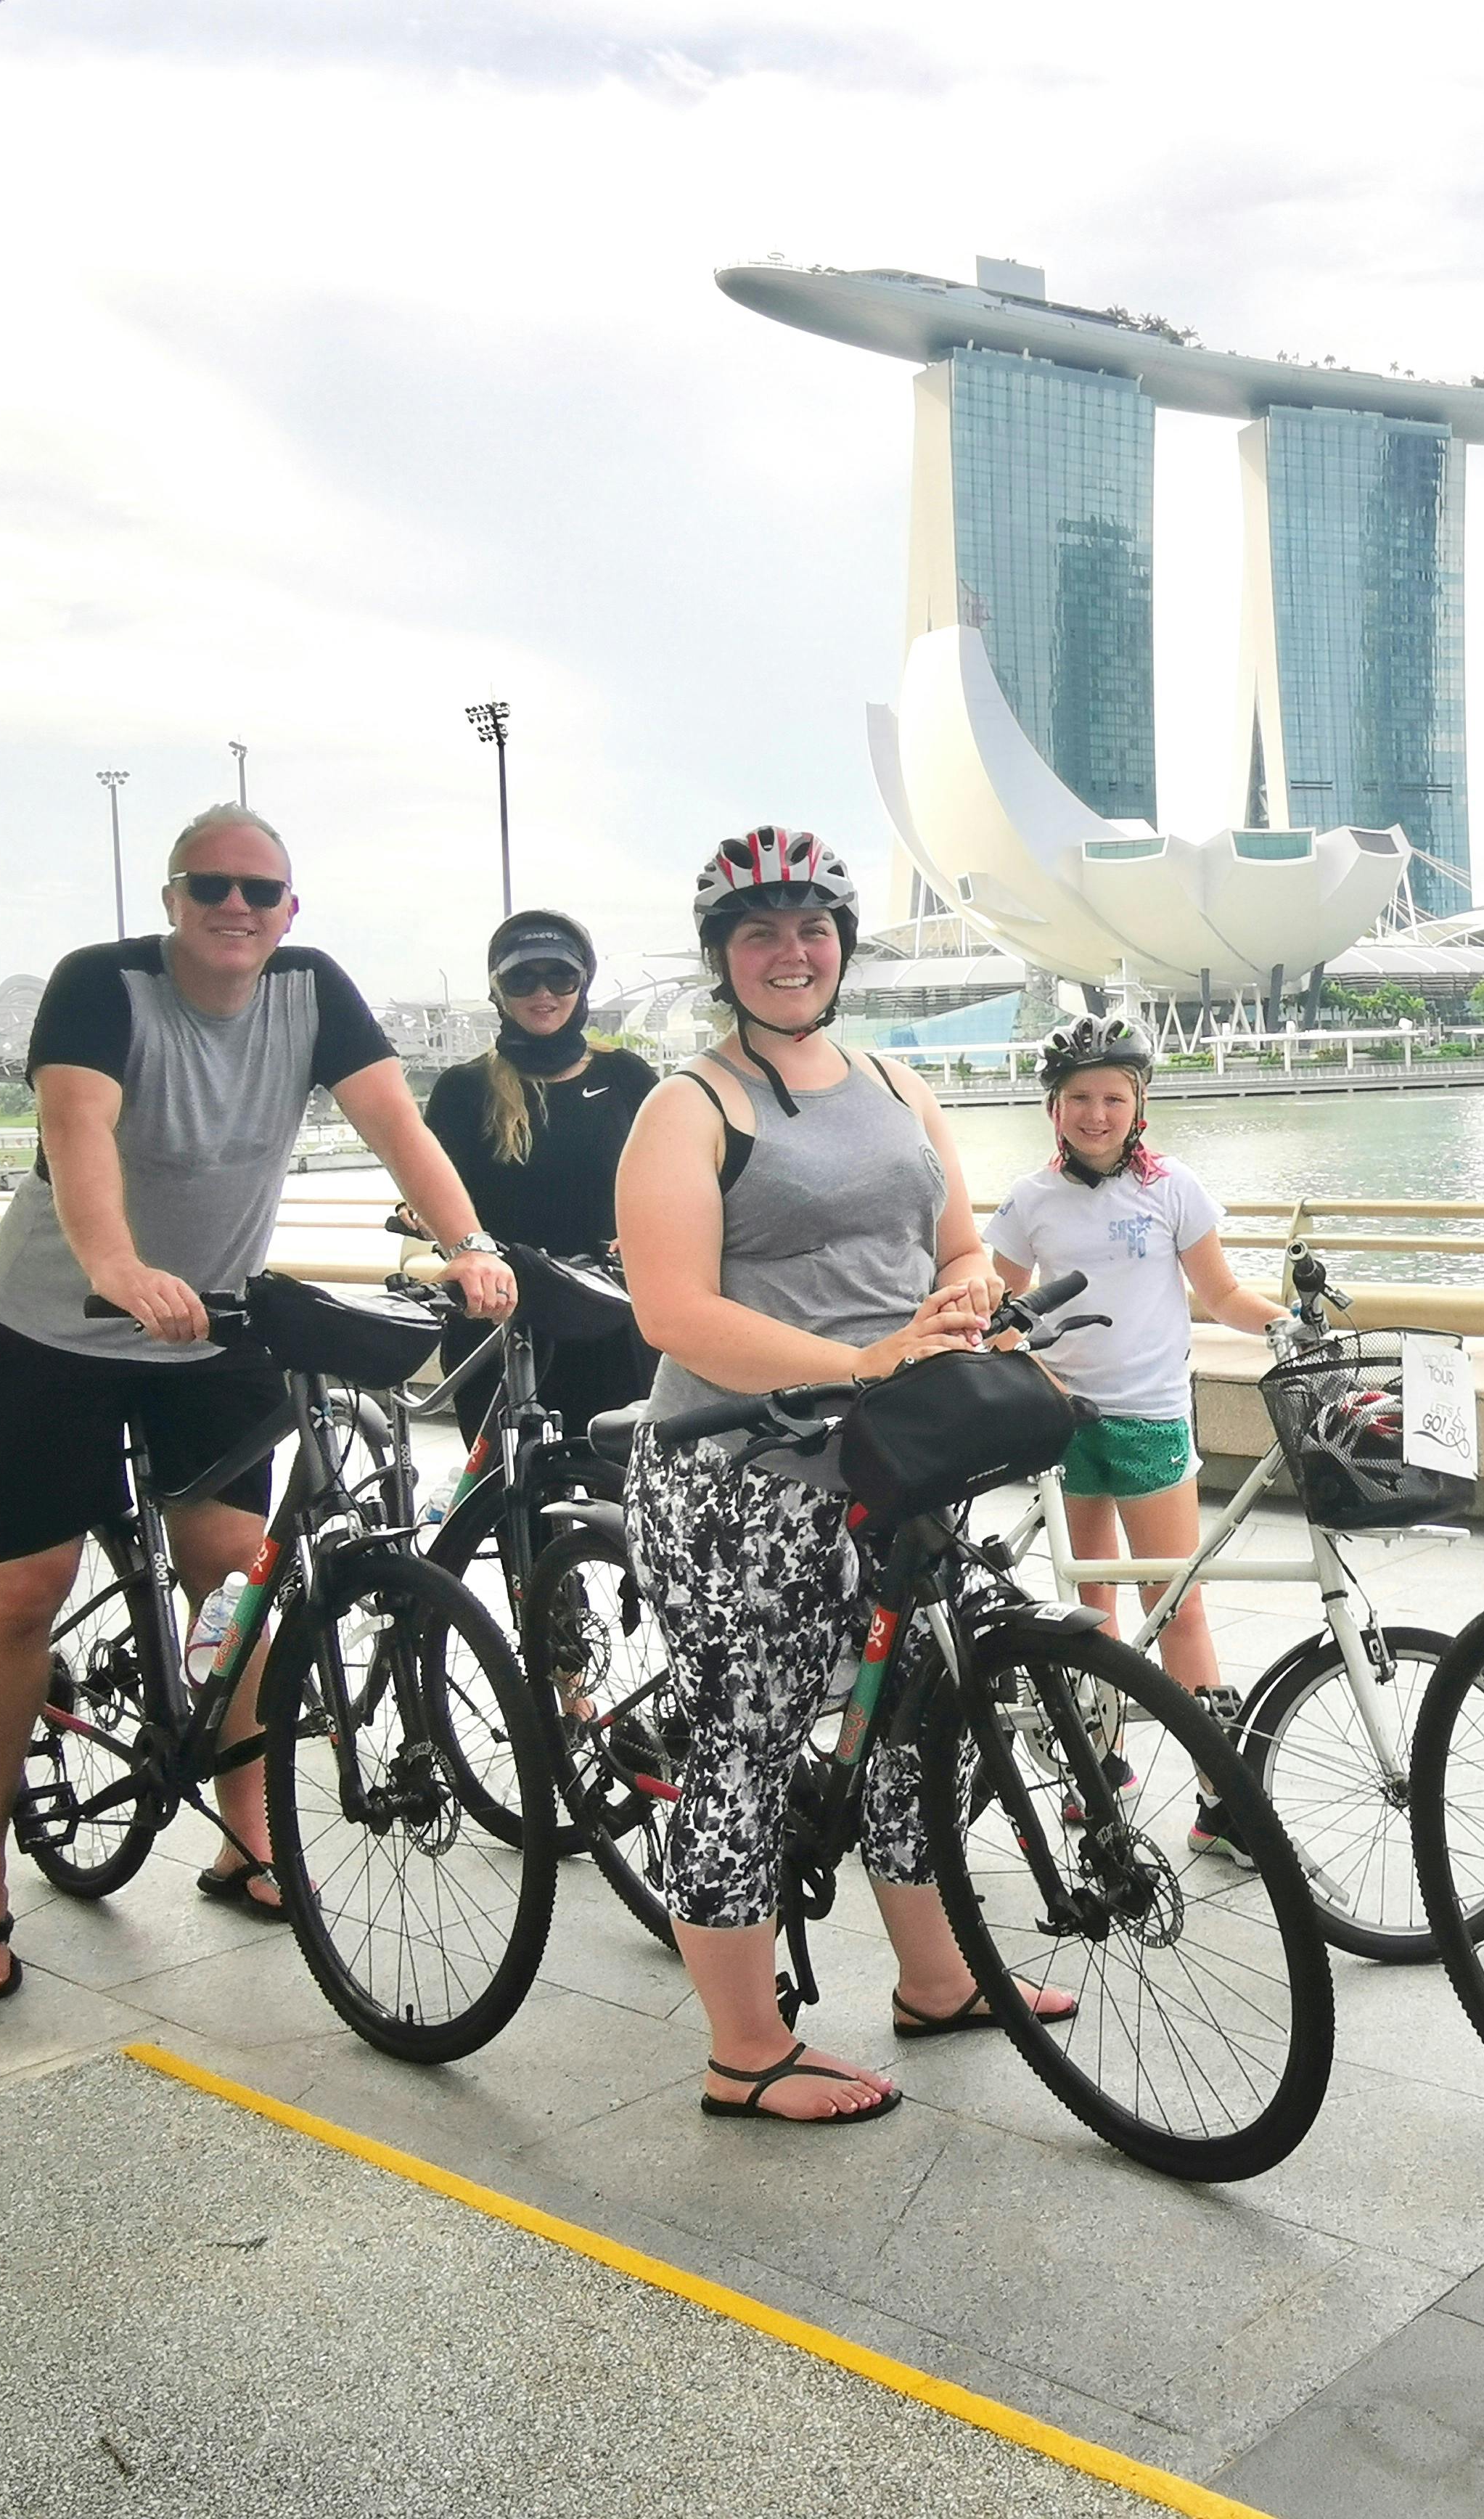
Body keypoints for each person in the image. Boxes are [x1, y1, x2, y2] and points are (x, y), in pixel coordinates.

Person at [0, 806, 515, 2004]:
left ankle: (249, 1838)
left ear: (290, 911)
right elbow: (77, 1128)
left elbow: (394, 1122)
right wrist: (114, 1263)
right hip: (60, 1332)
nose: (236, 907)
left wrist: (467, 1244)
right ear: (173, 898)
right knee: (23, 1590)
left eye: (261, 890)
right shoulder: (103, 987)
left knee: (241, 1574)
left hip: (211, 1331)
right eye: (212, 887)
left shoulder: (311, 992)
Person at [610, 826, 1074, 2126]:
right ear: (722, 958)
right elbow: (672, 1311)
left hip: (893, 1456)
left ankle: (938, 1982)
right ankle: (745, 2052)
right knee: (746, 1747)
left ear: (842, 946)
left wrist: (966, 1301)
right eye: (758, 933)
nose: (789, 951)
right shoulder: (689, 1106)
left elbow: (961, 1244)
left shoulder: (889, 1080)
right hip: (740, 1477)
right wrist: (856, 1359)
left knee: (912, 1732)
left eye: (811, 928)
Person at [984, 1011, 1290, 1832]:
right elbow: (1002, 1316)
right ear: (1052, 1107)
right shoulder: (1028, 1200)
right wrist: (1039, 1383)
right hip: (1064, 1423)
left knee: (1176, 1605)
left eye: (1112, 1097)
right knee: (1088, 1614)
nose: (1095, 1113)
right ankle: (1100, 1768)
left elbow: (1220, 1294)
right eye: (1078, 1097)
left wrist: (1283, 1326)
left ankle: (1221, 1799)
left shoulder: (1171, 1187)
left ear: (1139, 1103)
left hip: (1151, 1420)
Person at [419, 907, 660, 1434]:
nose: (542, 992)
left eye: (561, 976)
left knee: (619, 1501)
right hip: (498, 1320)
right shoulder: (463, 1090)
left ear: (583, 984)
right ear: (498, 990)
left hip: (611, 1316)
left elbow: (678, 1184)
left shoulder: (626, 1076)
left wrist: (649, 1235)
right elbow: (432, 1191)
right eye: (521, 977)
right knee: (506, 1505)